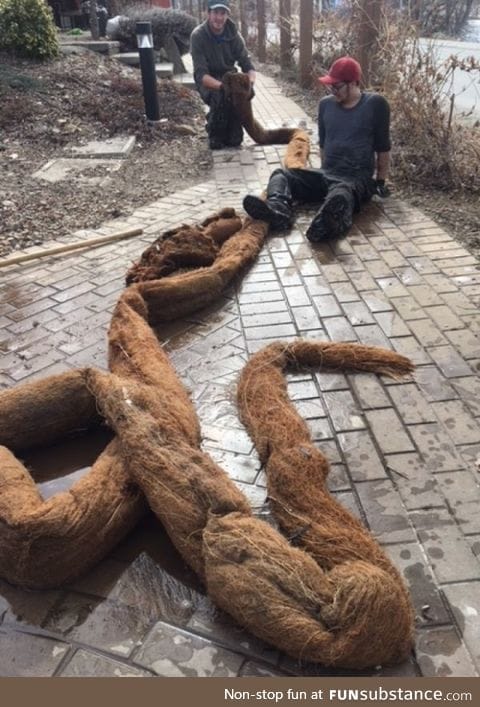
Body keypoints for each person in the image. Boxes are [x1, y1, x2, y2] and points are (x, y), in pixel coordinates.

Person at [243, 56, 391, 242]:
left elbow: (383, 146)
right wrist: (322, 176)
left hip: (356, 178)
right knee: (281, 174)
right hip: (327, 173)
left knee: (341, 194)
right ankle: (278, 211)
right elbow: (323, 143)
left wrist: (380, 182)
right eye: (330, 86)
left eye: (337, 86)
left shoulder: (376, 104)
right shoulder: (326, 104)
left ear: (354, 83)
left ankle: (328, 223)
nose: (332, 91)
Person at [190, 0, 256, 150]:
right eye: (215, 13)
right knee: (217, 143)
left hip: (229, 78)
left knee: (235, 141)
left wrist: (249, 84)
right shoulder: (198, 36)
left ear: (227, 15)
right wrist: (224, 87)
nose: (219, 18)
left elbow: (248, 65)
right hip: (209, 80)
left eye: (223, 13)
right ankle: (213, 127)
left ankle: (227, 123)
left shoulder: (234, 35)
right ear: (208, 13)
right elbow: (201, 75)